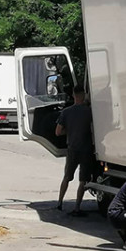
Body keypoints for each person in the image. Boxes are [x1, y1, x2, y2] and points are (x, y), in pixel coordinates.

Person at [55, 86, 94, 217]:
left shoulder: (66, 112)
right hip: (86, 149)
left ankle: (60, 202)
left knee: (67, 177)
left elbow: (58, 131)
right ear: (84, 95)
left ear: (73, 95)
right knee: (83, 180)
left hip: (72, 148)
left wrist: (70, 131)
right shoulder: (89, 112)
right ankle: (77, 206)